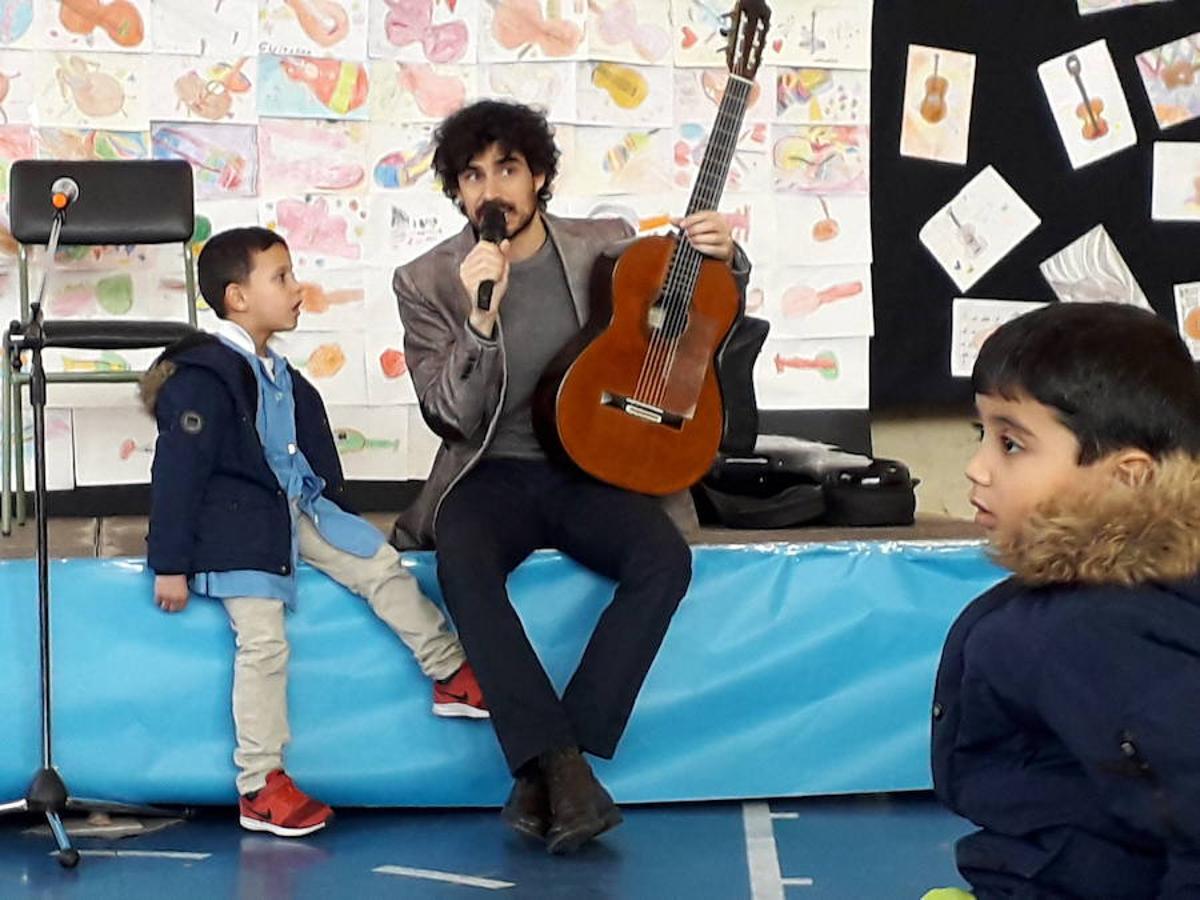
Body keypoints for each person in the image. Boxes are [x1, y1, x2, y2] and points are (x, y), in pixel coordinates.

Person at [390, 100, 751, 853]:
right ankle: (558, 763)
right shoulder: (427, 280)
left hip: (594, 467)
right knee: (463, 559)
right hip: (490, 473)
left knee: (663, 559)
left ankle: (557, 763)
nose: (493, 189)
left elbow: (690, 303)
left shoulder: (605, 248)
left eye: (509, 169)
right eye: (474, 175)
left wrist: (726, 255)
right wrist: (479, 322)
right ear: (457, 192)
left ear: (541, 176)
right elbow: (450, 417)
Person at [143, 226, 487, 839]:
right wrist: (169, 562)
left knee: (380, 566)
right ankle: (259, 783)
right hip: (239, 530)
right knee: (264, 644)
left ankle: (450, 672)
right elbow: (177, 471)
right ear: (237, 297)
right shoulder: (203, 376)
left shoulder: (281, 374)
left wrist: (335, 510)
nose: (297, 288)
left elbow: (310, 457)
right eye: (280, 277)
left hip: (298, 510)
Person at [928, 302, 1200, 898]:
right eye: (983, 434)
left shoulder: (1096, 632)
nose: (977, 468)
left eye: (1012, 444)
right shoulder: (1091, 596)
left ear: (1127, 476)